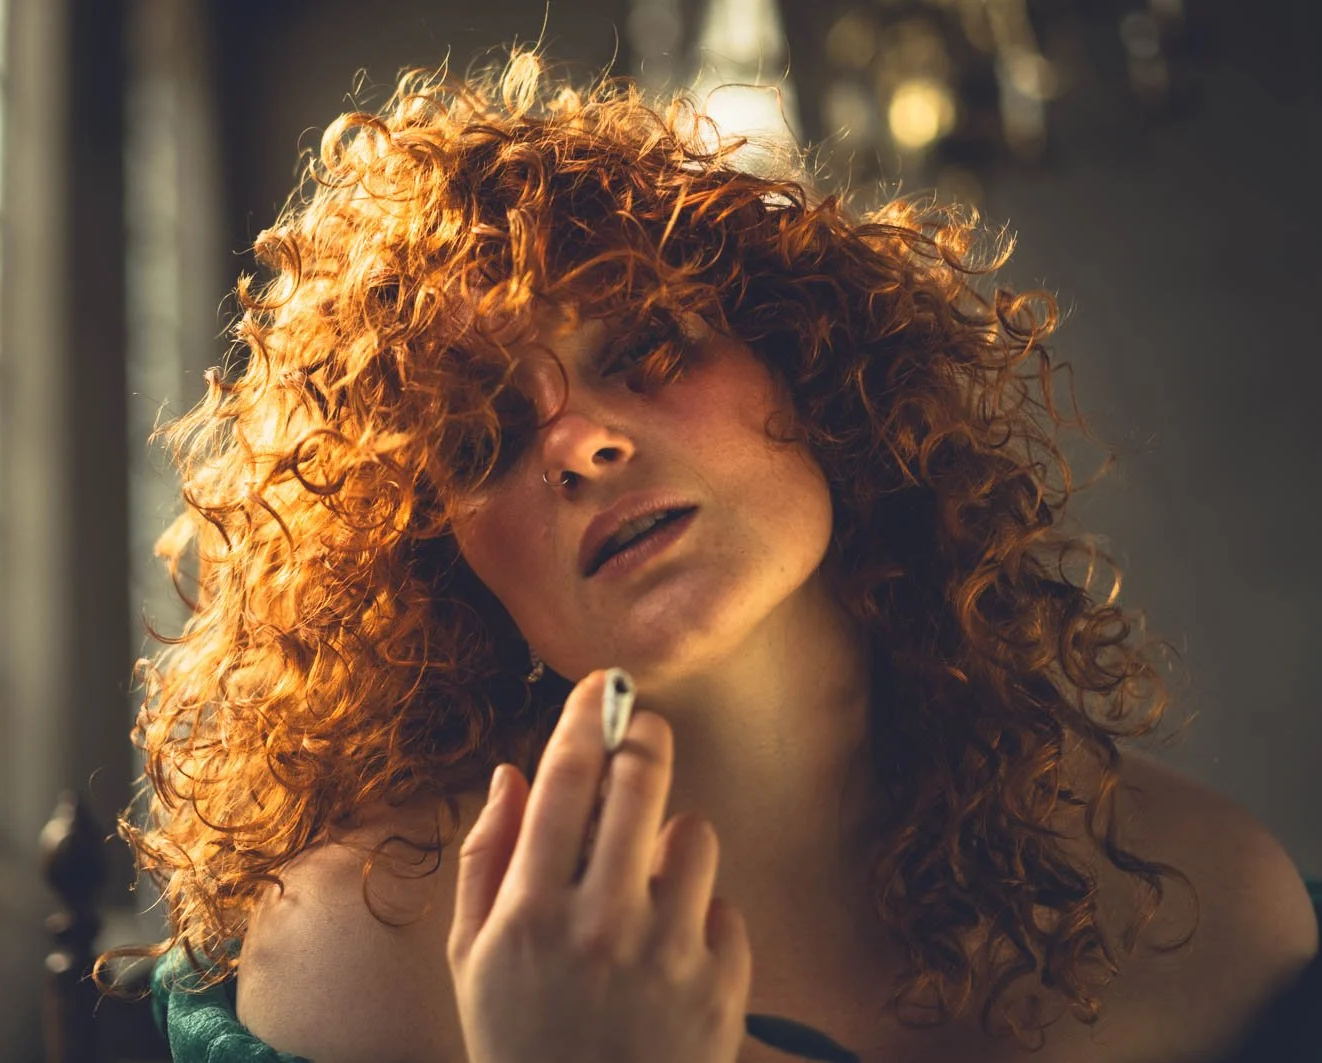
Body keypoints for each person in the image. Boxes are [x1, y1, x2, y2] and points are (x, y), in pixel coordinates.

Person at [107, 47, 1319, 1063]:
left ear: (813, 366)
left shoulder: (1199, 904)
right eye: (483, 438)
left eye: (649, 345)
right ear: (438, 562)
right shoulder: (365, 948)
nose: (576, 441)